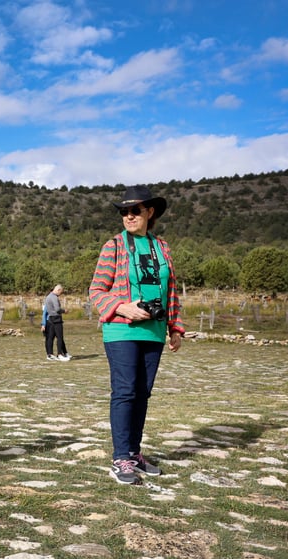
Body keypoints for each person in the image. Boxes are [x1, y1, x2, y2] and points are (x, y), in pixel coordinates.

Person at [88, 186, 184, 485]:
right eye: (123, 212)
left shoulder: (162, 247)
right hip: (121, 329)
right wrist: (122, 307)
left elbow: (170, 292)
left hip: (153, 332)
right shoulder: (114, 246)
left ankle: (134, 452)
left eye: (135, 211)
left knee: (142, 394)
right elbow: (96, 291)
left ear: (149, 213)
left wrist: (174, 327)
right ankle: (120, 459)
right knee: (126, 391)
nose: (129, 216)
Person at [43, 284, 70, 361]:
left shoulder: (48, 297)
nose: (60, 294)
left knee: (50, 337)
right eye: (61, 292)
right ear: (58, 290)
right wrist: (64, 311)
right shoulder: (54, 297)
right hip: (56, 318)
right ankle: (60, 354)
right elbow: (57, 309)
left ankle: (50, 354)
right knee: (60, 337)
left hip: (50, 319)